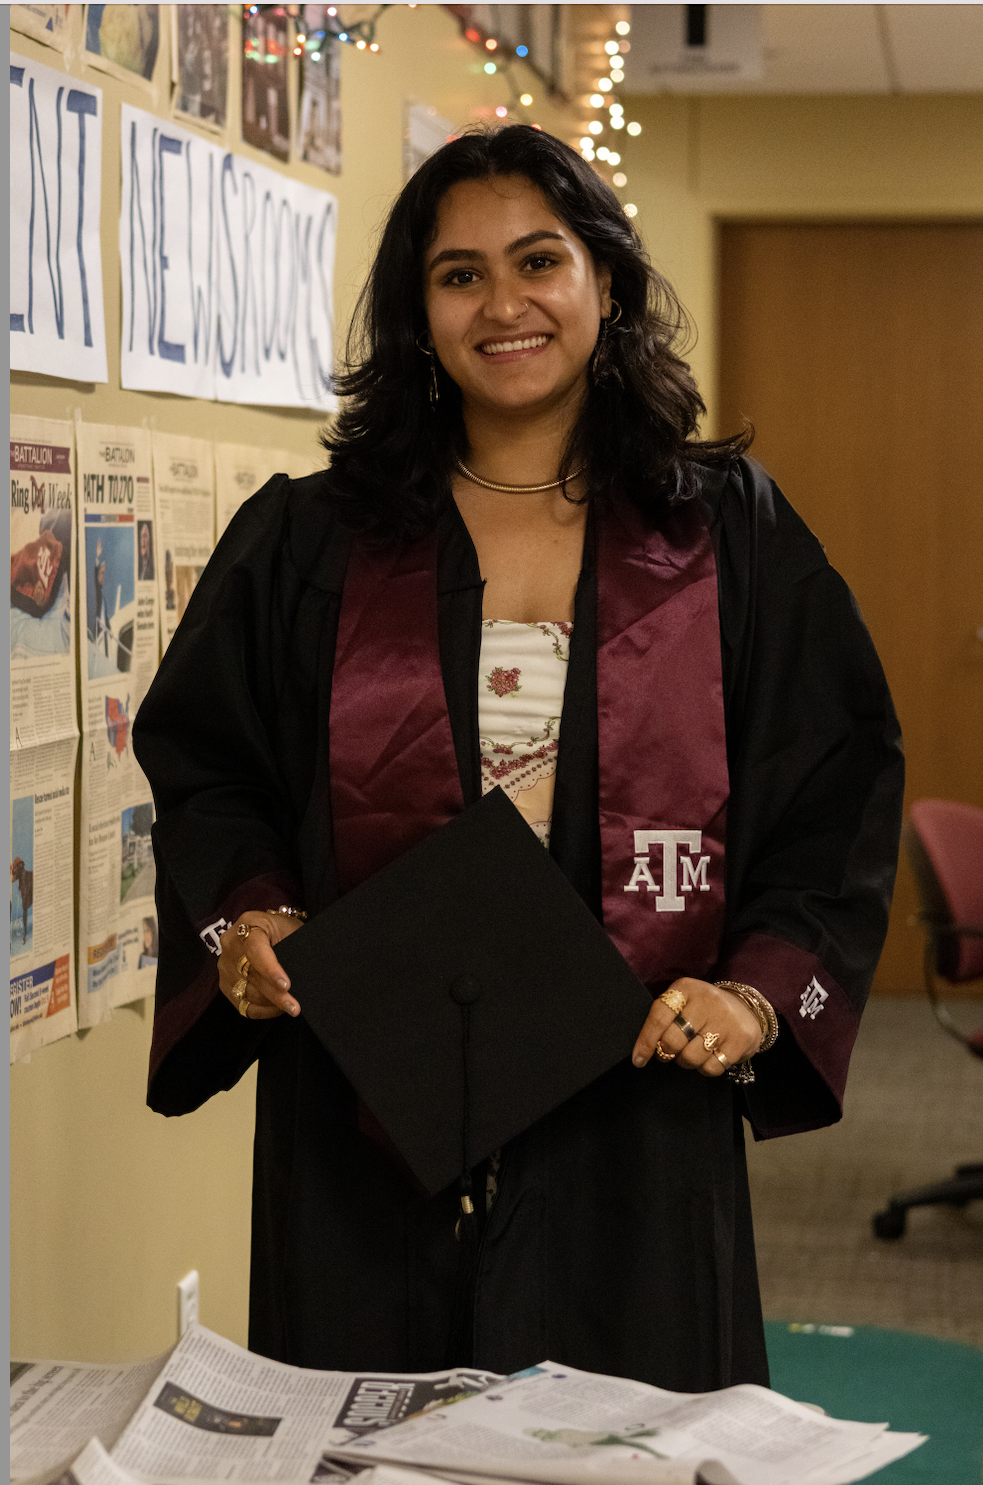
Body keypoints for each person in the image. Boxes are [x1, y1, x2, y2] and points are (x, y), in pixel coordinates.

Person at [134, 126, 903, 1392]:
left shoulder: (725, 537)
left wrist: (756, 994)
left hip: (636, 1103)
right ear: (414, 311)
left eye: (538, 261)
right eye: (457, 275)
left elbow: (835, 786)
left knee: (626, 1445)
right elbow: (206, 764)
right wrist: (242, 922)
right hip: (368, 1103)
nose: (503, 305)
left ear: (604, 279)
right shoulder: (311, 541)